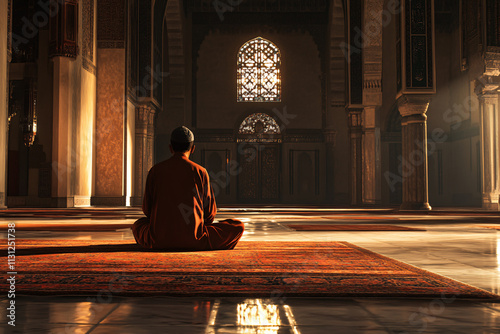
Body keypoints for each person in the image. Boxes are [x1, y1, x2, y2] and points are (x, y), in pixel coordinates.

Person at [132, 126, 244, 250]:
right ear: (193, 149)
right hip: (195, 239)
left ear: (170, 148)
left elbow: (147, 210)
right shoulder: (200, 171)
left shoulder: (155, 171)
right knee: (237, 226)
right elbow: (210, 214)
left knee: (138, 225)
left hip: (159, 239)